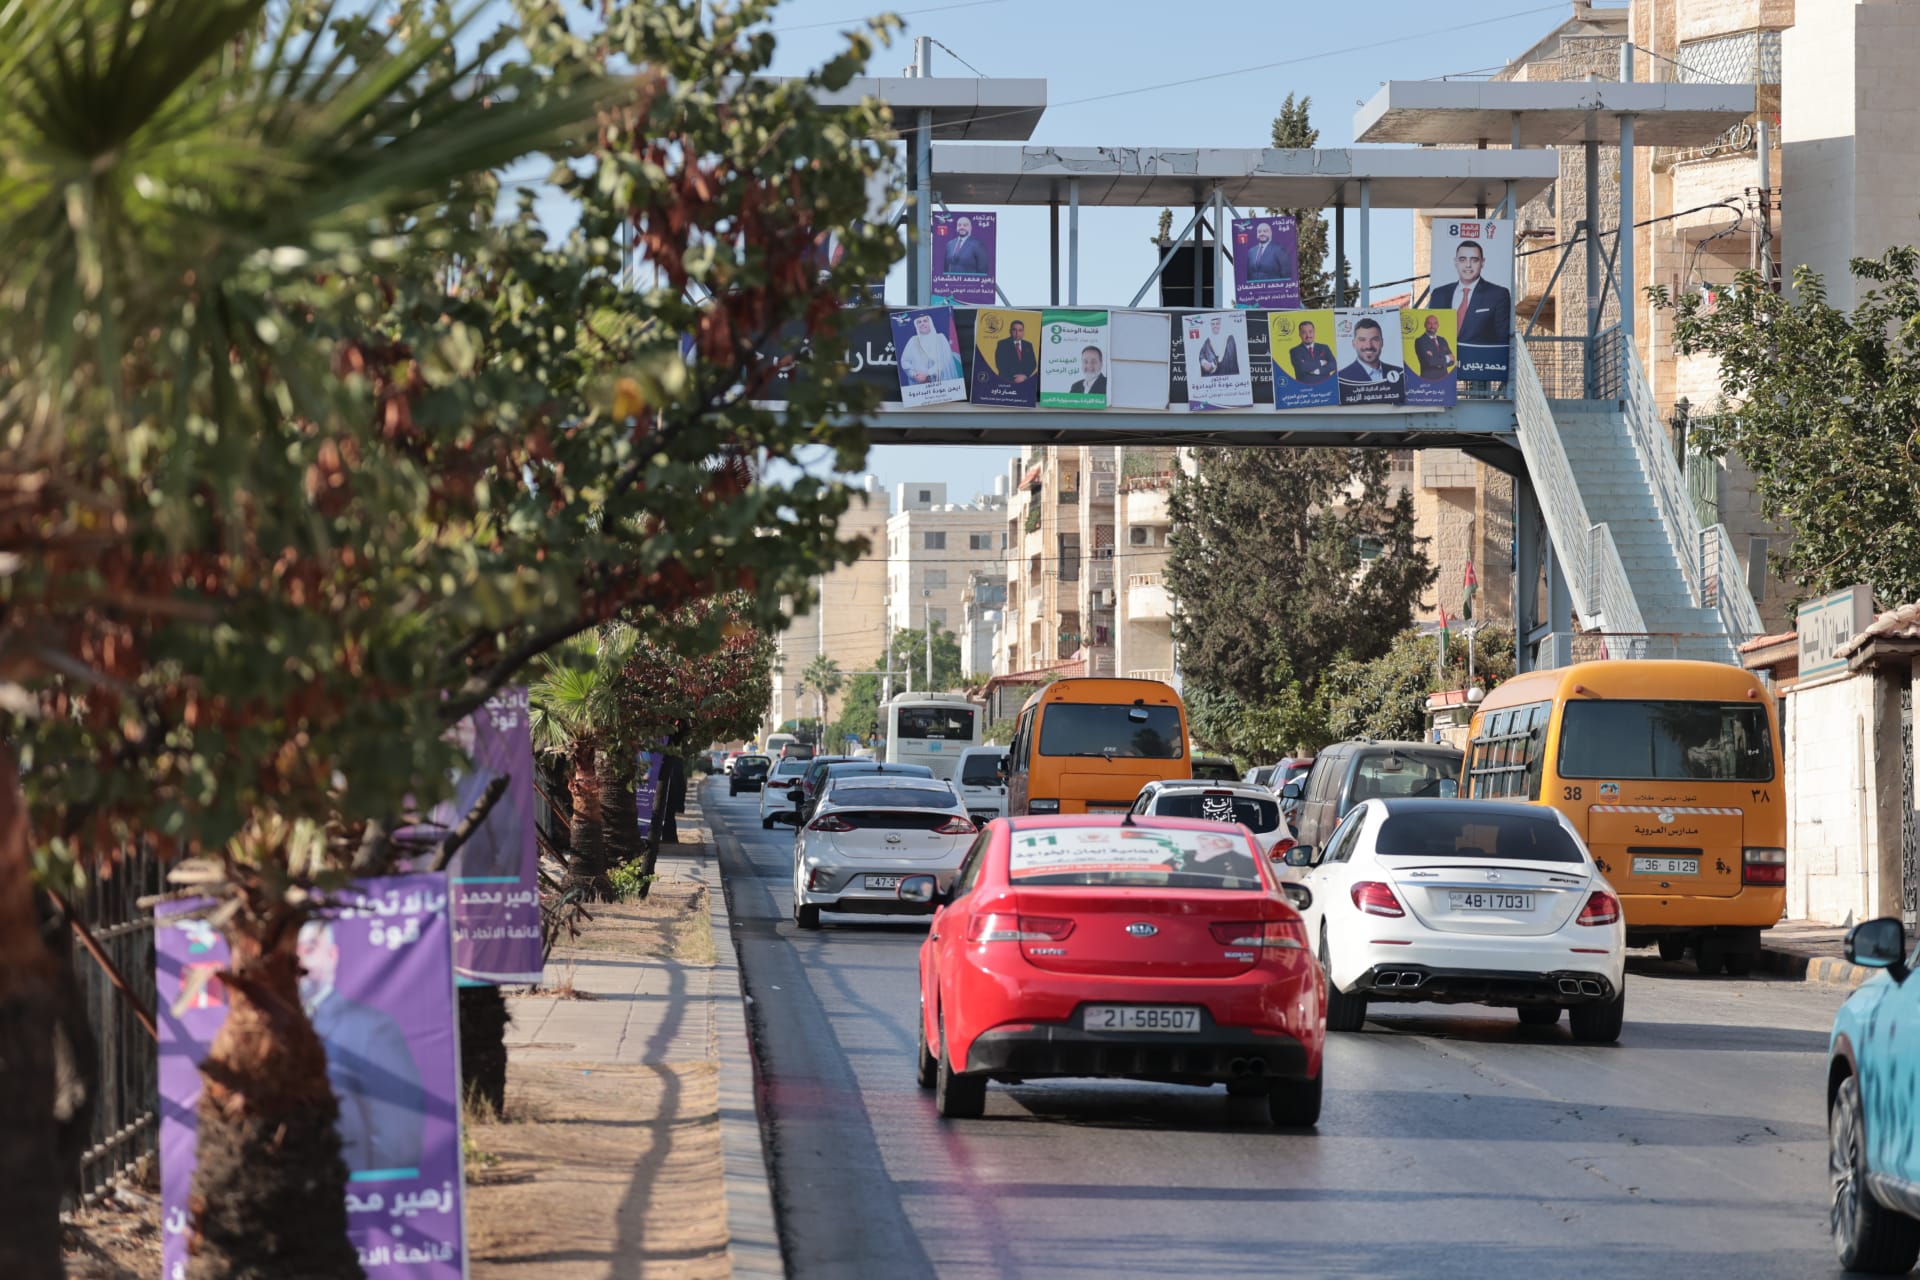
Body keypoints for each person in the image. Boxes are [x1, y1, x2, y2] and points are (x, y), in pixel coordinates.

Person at [298, 921, 425, 1175]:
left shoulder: (372, 1029)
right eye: (289, 953)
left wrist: (372, 1197)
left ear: (332, 956)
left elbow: (397, 1138)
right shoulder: (264, 1030)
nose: (298, 961)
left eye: (309, 949)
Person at [1427, 240, 1512, 351]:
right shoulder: (1439, 294)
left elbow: (1502, 340)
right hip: (1443, 364)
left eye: (1474, 260)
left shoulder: (1498, 294)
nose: (1468, 265)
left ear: (1482, 262)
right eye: (1462, 259)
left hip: (1480, 364)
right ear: (1455, 262)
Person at [899, 313, 961, 385]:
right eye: (919, 322)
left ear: (930, 323)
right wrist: (914, 374)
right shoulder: (913, 341)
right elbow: (904, 361)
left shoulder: (940, 338)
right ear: (917, 325)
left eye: (925, 321)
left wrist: (928, 373)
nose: (922, 324)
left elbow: (946, 360)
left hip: (941, 382)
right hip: (920, 385)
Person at [1338, 317, 1402, 384]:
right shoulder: (1342, 377)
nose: (1369, 346)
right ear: (1354, 344)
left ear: (1382, 342)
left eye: (1374, 339)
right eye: (1362, 340)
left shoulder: (1400, 373)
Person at [993, 320, 1037, 385]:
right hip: (1007, 381)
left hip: (1025, 380)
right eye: (1014, 330)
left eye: (1020, 330)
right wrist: (1015, 379)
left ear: (1023, 332)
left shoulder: (1028, 345)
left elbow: (1033, 363)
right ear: (1010, 331)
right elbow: (1000, 364)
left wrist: (1025, 376)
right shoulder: (1002, 344)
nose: (1017, 333)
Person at [1413, 314, 1455, 379]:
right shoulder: (1420, 341)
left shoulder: (1442, 340)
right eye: (1429, 323)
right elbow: (1430, 361)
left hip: (1444, 379)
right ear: (1425, 325)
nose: (1432, 326)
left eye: (1435, 323)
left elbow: (1452, 360)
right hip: (1428, 380)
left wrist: (1437, 361)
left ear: (1438, 325)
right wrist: (1446, 358)